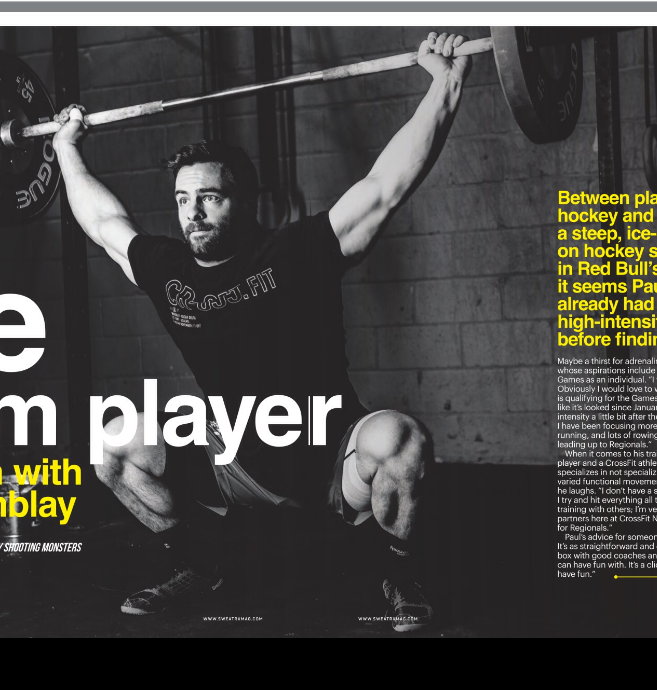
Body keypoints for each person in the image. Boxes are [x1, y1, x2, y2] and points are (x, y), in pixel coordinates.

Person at [53, 31, 471, 632]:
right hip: (234, 463)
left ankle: (400, 572)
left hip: (331, 458)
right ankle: (201, 565)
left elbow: (384, 189)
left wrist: (445, 85)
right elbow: (101, 220)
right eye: (182, 200)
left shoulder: (297, 252)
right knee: (114, 445)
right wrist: (67, 147)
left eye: (210, 198)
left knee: (402, 441)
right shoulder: (169, 271)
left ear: (243, 202)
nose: (192, 213)